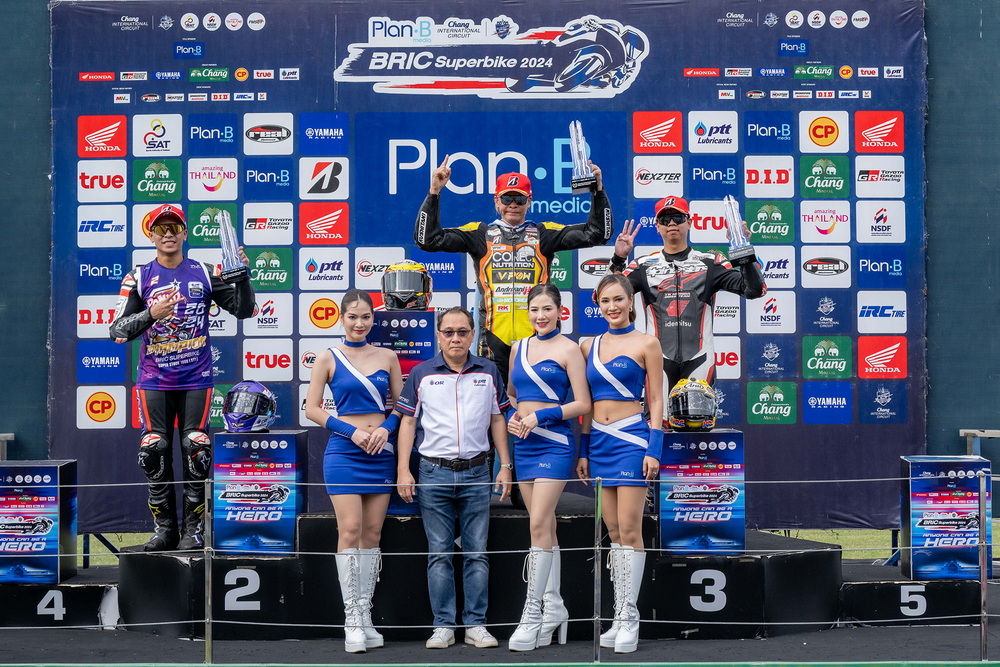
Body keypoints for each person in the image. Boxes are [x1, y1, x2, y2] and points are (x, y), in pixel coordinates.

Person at [109, 203, 254, 551]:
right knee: (154, 450)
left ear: (185, 233)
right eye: (162, 229)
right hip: (154, 379)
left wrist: (242, 278)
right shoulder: (138, 276)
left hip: (196, 378)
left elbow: (245, 310)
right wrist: (151, 313)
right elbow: (117, 330)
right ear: (151, 236)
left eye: (175, 227)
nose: (169, 234)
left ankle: (194, 530)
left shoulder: (204, 272)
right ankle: (165, 530)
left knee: (196, 449)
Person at [414, 157, 614, 381]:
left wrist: (598, 190)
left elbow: (598, 233)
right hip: (492, 341)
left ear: (529, 201)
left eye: (519, 198)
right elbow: (427, 240)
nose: (513, 204)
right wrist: (434, 192)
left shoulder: (543, 233)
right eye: (507, 198)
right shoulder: (480, 234)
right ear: (496, 201)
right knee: (493, 402)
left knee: (538, 399)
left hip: (538, 336)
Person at [395, 307, 513, 650]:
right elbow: (407, 422)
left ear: (473, 334)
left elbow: (498, 419)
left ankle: (476, 625)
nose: (456, 338)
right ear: (438, 336)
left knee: (477, 553)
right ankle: (443, 626)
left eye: (462, 332)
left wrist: (505, 465)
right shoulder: (421, 374)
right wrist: (403, 469)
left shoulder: (488, 371)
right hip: (433, 473)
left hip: (477, 472)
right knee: (439, 554)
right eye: (449, 332)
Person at [305, 289, 403, 653]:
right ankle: (352, 620)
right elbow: (312, 409)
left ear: (373, 319)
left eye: (365, 317)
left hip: (381, 452)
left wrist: (385, 430)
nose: (359, 323)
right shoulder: (328, 357)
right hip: (345, 453)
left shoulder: (388, 356)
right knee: (349, 530)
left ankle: (365, 615)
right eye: (352, 317)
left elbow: (403, 406)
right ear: (341, 318)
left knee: (373, 534)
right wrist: (353, 432)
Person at [610, 196, 766, 413]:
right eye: (665, 220)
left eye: (678, 218)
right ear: (657, 227)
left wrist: (744, 250)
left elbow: (755, 290)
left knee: (695, 424)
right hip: (658, 360)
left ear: (690, 222)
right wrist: (618, 259)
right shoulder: (642, 266)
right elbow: (605, 297)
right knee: (657, 425)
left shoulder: (711, 262)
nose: (672, 224)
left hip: (699, 359)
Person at [575, 273, 663, 654]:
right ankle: (617, 614)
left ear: (631, 301)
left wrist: (654, 448)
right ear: (598, 304)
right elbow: (584, 402)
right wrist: (583, 449)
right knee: (612, 531)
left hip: (631, 441)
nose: (612, 307)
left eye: (618, 300)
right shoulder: (587, 345)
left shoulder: (647, 343)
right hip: (598, 442)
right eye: (605, 301)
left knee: (630, 529)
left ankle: (630, 616)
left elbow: (656, 400)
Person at [505, 284, 592, 651]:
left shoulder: (569, 349)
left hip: (554, 443)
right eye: (534, 310)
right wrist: (514, 417)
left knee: (538, 524)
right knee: (546, 528)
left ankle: (531, 613)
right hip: (524, 444)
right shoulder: (518, 348)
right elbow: (511, 395)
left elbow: (583, 404)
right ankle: (555, 607)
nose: (540, 316)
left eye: (547, 309)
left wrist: (540, 416)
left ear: (560, 311)